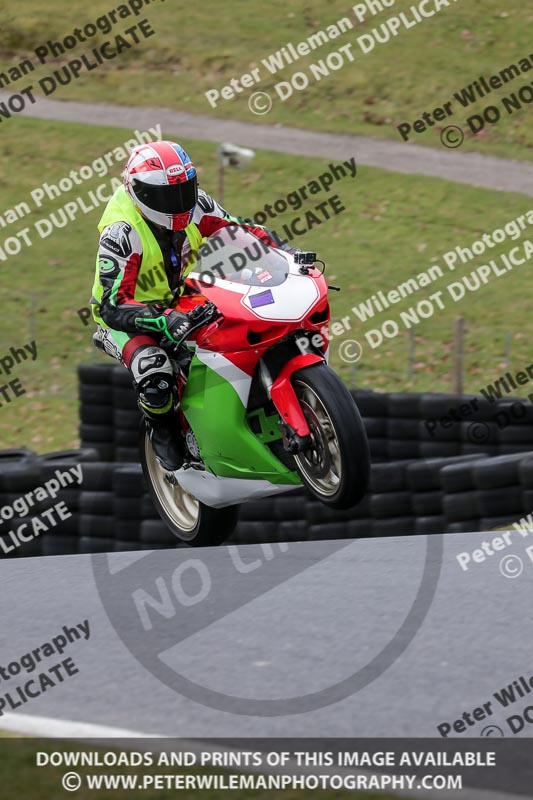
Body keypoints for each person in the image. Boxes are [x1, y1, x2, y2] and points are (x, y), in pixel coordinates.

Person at [90, 140, 297, 470]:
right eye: (166, 196)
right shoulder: (122, 233)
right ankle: (163, 431)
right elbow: (112, 305)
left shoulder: (197, 205)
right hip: (127, 315)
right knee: (154, 366)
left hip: (181, 293)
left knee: (242, 320)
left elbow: (238, 230)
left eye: (184, 189)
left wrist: (285, 253)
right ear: (139, 193)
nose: (179, 202)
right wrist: (164, 321)